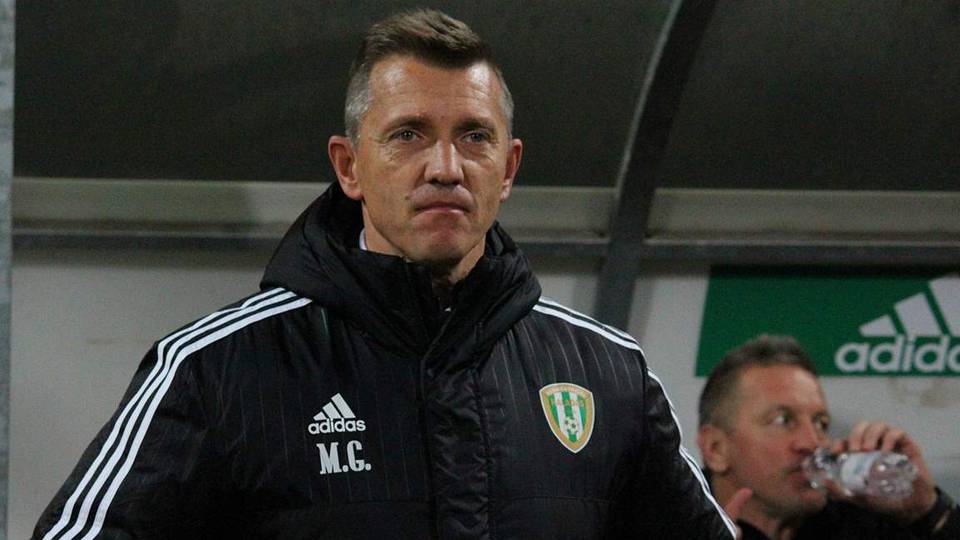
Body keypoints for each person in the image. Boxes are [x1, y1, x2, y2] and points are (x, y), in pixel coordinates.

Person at [33, 8, 737, 539]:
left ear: (509, 168)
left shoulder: (607, 372)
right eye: (408, 135)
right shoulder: (218, 369)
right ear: (349, 167)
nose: (445, 167)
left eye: (474, 136)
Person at [697, 334, 959, 540]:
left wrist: (928, 512)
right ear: (716, 449)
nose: (813, 443)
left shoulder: (859, 524)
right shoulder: (677, 525)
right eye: (783, 420)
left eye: (820, 423)